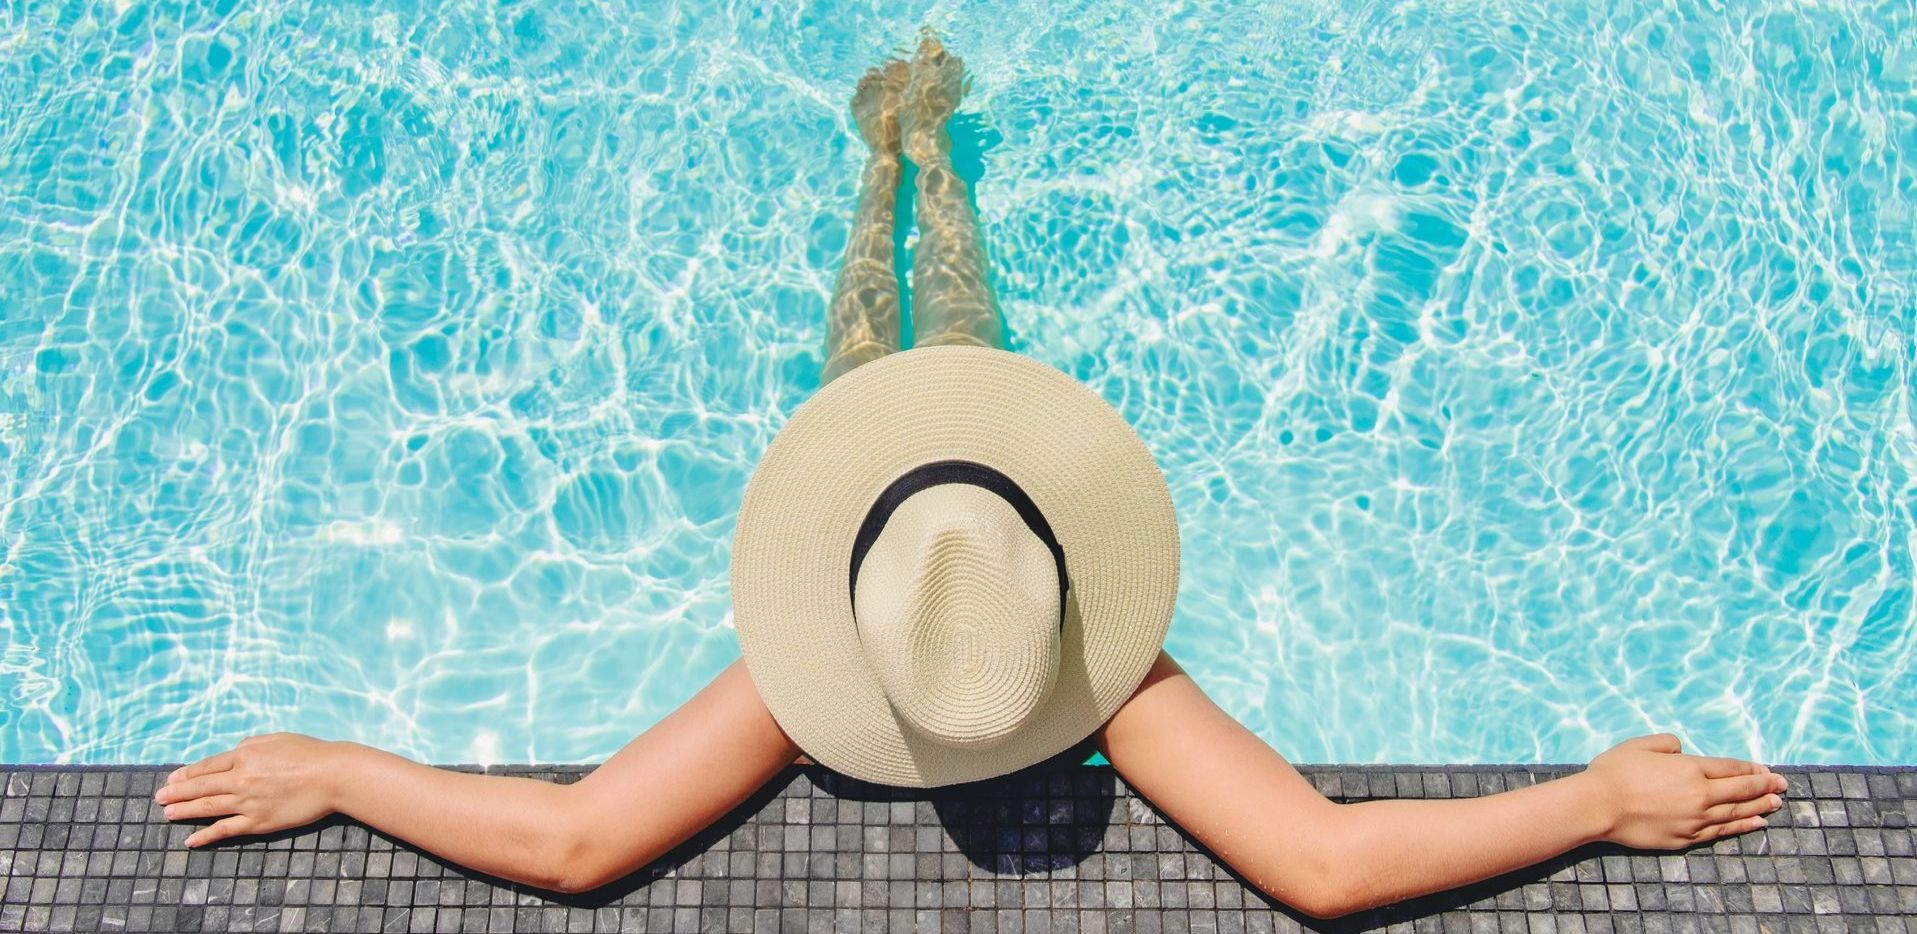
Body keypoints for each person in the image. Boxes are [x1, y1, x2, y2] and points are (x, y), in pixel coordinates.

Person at [151, 36, 1788, 920]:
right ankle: (904, 165)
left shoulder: (830, 669)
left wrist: (350, 766)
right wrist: (1588, 799)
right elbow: (1319, 864)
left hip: (898, 488)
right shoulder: (1097, 666)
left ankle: (908, 165)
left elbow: (582, 844)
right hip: (950, 478)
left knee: (896, 331)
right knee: (926, 323)